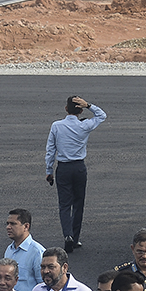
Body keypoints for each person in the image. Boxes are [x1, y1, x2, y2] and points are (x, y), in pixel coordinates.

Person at [46, 96, 106, 253]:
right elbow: (102, 115)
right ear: (80, 110)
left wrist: (48, 170)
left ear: (66, 109)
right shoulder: (84, 125)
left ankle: (67, 235)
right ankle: (75, 237)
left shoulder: (56, 126)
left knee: (64, 204)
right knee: (78, 203)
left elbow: (50, 149)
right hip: (79, 168)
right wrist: (89, 105)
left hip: (63, 168)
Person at [2, 209, 44, 291]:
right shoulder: (9, 250)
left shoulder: (37, 252)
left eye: (13, 224)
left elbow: (43, 285)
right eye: (8, 223)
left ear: (26, 226)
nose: (8, 227)